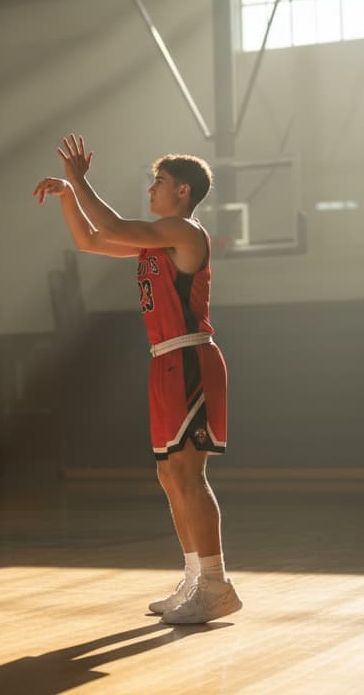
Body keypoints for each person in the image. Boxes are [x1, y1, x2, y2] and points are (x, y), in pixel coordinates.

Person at [32, 133, 241, 625]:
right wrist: (68, 196)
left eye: (160, 182)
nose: (151, 188)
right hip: (164, 360)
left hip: (191, 358)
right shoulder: (155, 242)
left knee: (190, 475)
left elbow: (111, 222)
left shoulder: (186, 233)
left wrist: (80, 180)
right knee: (169, 475)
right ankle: (195, 576)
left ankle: (216, 582)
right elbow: (91, 238)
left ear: (183, 192)